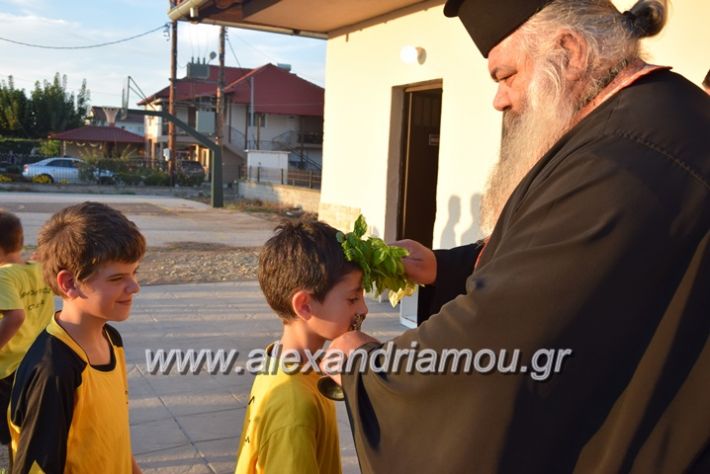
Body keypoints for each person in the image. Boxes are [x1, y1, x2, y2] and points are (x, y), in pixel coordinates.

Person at [324, 0, 710, 472]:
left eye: (505, 75)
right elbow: (564, 262)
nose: (500, 99)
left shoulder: (622, 161)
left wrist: (367, 366)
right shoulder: (654, 113)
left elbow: (499, 343)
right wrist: (446, 268)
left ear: (569, 52)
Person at [8, 202, 145, 473]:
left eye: (134, 272)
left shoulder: (111, 339)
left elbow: (113, 434)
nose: (134, 287)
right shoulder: (54, 370)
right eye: (117, 278)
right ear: (69, 283)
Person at [235, 220, 368, 474]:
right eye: (353, 298)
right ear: (305, 305)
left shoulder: (281, 359)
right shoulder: (294, 407)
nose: (363, 309)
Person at [0, 211, 54, 451]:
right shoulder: (39, 269)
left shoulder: (2, 276)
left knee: (8, 429)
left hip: (7, 369)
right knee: (24, 425)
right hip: (36, 360)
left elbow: (16, 316)